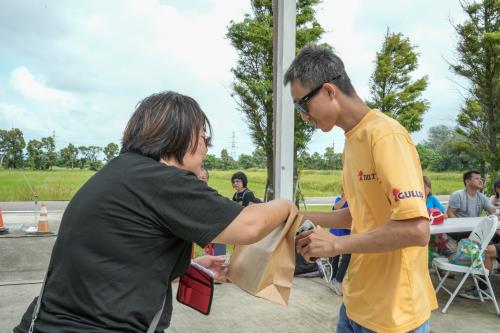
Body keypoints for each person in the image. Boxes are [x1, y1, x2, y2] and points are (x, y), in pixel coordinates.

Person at [14, 91, 294, 333]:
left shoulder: (119, 172)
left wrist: (188, 268)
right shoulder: (163, 180)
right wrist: (286, 205)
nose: (206, 148)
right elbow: (249, 226)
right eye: (203, 137)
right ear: (179, 135)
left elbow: (121, 260)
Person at [285, 45, 436, 333]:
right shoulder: (352, 140)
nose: (303, 116)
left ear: (329, 90)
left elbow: (417, 229)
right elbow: (358, 215)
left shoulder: (386, 135)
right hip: (356, 305)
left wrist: (336, 245)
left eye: (302, 105)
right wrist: (299, 217)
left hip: (395, 315)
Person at [199, 168, 226, 257]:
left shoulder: (212, 193)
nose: (201, 179)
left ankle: (218, 260)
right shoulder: (191, 192)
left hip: (212, 225)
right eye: (199, 177)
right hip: (201, 226)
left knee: (220, 238)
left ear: (207, 179)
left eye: (203, 178)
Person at [329, 190, 351, 296]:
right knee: (334, 259)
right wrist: (345, 197)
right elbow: (335, 208)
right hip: (335, 234)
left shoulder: (353, 201)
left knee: (346, 258)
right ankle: (333, 279)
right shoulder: (339, 200)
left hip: (347, 235)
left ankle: (338, 280)